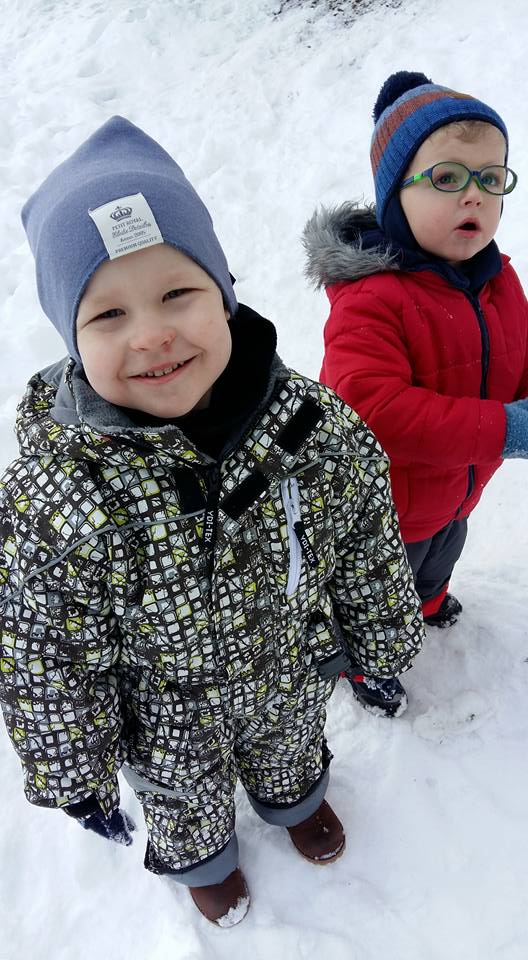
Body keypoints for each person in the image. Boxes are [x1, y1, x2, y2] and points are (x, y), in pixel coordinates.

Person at [0, 116, 423, 926]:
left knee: (290, 749)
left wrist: (379, 641)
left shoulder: (307, 425)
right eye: (108, 315)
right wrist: (76, 772)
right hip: (164, 720)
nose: (152, 334)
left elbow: (366, 535)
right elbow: (41, 652)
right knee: (183, 801)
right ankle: (206, 859)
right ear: (71, 338)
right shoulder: (57, 496)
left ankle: (296, 804)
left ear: (224, 293)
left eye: (177, 294)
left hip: (284, 671)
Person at [303, 71, 528, 718]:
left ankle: (428, 603)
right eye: (448, 178)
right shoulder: (371, 300)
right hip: (382, 514)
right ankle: (364, 663)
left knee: (439, 558)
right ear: (394, 194)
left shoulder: (497, 279)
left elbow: (518, 356)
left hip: (455, 490)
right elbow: (373, 412)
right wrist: (508, 429)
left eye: (491, 178)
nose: (475, 195)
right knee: (375, 598)